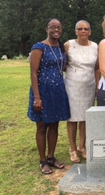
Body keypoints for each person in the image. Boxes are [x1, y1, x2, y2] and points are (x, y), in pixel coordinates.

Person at [27, 18, 70, 175]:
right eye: (53, 27)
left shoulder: (60, 47)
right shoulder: (39, 47)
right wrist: (37, 98)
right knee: (42, 126)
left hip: (58, 90)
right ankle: (43, 160)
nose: (56, 30)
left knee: (54, 125)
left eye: (59, 27)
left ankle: (51, 157)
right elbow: (33, 72)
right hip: (43, 91)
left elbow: (64, 66)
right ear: (47, 29)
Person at [64, 20, 99, 163]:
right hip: (72, 85)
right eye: (80, 29)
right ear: (76, 31)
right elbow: (63, 64)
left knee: (85, 117)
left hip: (89, 85)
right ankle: (72, 149)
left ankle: (82, 146)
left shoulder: (95, 46)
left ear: (90, 31)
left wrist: (97, 85)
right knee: (72, 118)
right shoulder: (68, 45)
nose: (83, 31)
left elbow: (97, 68)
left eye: (86, 29)